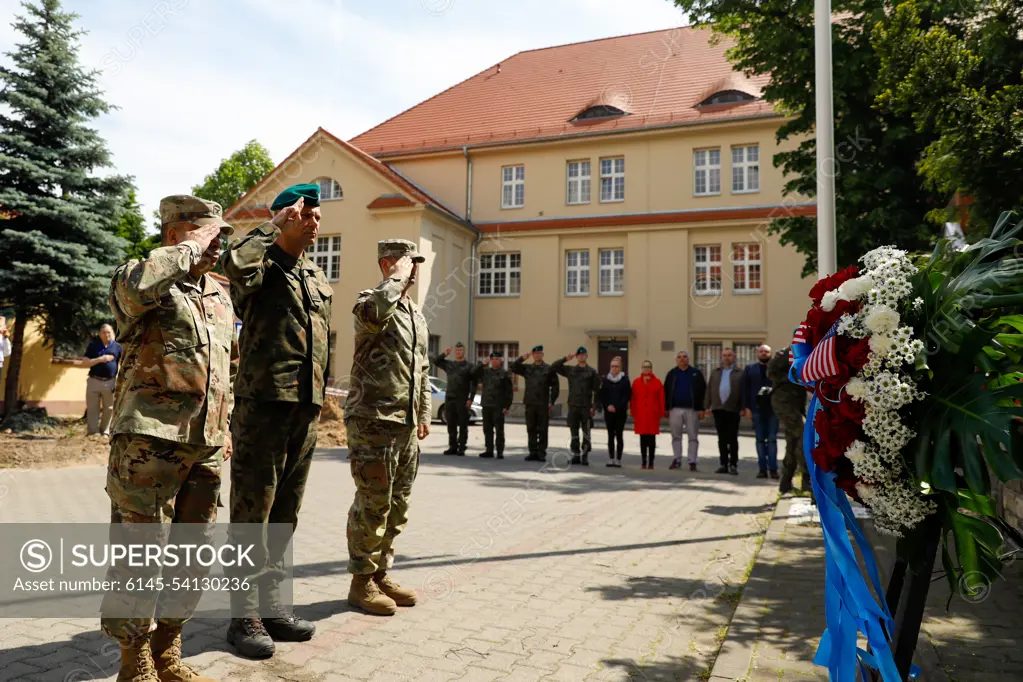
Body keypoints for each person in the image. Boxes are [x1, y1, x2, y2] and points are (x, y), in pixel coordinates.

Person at [103, 194, 236, 682]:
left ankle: (167, 648)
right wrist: (188, 249)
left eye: (219, 233)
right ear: (174, 232)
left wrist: (228, 429)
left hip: (206, 444)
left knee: (194, 552)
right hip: (149, 444)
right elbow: (137, 289)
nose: (216, 243)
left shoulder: (219, 296)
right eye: (206, 232)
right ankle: (132, 657)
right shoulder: (139, 278)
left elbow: (230, 366)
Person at [222, 184, 331, 657]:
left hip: (305, 408)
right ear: (286, 216)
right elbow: (232, 263)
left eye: (317, 216)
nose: (314, 222)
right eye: (306, 214)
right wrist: (270, 225)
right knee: (252, 514)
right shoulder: (260, 267)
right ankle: (242, 616)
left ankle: (273, 608)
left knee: (284, 514)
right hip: (263, 406)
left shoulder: (315, 275)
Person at [343, 239, 431, 617]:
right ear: (388, 264)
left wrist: (424, 413)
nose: (415, 269)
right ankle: (360, 581)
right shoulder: (372, 300)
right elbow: (373, 313)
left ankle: (381, 574)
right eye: (409, 262)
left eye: (417, 264)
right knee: (373, 503)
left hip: (406, 423)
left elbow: (423, 368)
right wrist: (395, 280)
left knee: (398, 505)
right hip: (373, 419)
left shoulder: (415, 313)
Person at [768, 343, 809, 494]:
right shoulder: (785, 353)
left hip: (796, 404)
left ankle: (785, 482)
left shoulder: (807, 352)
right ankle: (807, 479)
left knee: (793, 442)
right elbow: (770, 373)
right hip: (783, 402)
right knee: (804, 435)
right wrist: (793, 376)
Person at [551, 346, 601, 465]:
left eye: (583, 355)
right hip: (573, 406)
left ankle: (585, 455)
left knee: (586, 432)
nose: (581, 357)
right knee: (574, 432)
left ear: (586, 356)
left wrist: (594, 407)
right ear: (577, 357)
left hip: (586, 407)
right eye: (579, 355)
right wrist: (566, 358)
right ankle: (576, 454)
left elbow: (597, 391)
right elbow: (554, 367)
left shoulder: (592, 372)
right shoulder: (571, 370)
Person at [509, 346, 559, 462]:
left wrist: (552, 401)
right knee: (531, 428)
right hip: (530, 403)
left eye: (539, 353)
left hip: (543, 403)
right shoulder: (528, 368)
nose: (537, 355)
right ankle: (533, 452)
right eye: (535, 353)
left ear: (542, 354)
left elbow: (555, 386)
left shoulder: (548, 369)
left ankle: (541, 453)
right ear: (533, 355)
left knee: (542, 429)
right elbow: (513, 367)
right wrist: (522, 358)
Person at [663, 350, 706, 472]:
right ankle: (677, 459)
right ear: (676, 359)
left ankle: (692, 461)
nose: (682, 359)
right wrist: (666, 408)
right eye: (679, 357)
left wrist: (702, 408)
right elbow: (666, 391)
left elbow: (703, 391)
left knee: (693, 436)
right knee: (676, 436)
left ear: (688, 359)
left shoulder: (696, 374)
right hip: (675, 409)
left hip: (692, 410)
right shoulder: (671, 374)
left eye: (684, 357)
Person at [741, 344, 779, 479]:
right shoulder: (750, 369)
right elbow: (745, 389)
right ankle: (762, 469)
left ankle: (773, 469)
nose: (763, 353)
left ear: (770, 354)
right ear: (757, 354)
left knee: (773, 440)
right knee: (760, 440)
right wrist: (746, 408)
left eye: (766, 351)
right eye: (761, 351)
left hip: (773, 410)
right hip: (756, 409)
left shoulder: (777, 369)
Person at [705, 348, 744, 475]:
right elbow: (709, 389)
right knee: (721, 438)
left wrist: (743, 407)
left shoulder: (740, 373)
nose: (727, 357)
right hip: (718, 408)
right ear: (721, 357)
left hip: (733, 409)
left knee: (732, 438)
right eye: (724, 355)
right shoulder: (715, 372)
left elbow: (744, 392)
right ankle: (723, 464)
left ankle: (733, 464)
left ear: (734, 357)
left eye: (729, 355)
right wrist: (707, 406)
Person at [431, 342, 475, 456]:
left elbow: (474, 383)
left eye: (460, 350)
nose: (458, 352)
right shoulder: (450, 364)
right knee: (451, 424)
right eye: (457, 351)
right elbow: (435, 361)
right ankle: (453, 446)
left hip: (462, 399)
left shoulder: (469, 366)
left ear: (464, 352)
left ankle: (462, 447)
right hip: (450, 398)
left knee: (463, 425)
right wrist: (444, 354)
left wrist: (471, 398)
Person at [80, 323, 122, 438]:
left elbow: (123, 363)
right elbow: (84, 362)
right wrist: (100, 359)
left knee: (109, 408)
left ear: (113, 334)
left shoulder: (117, 347)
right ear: (100, 334)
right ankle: (93, 432)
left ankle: (106, 432)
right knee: (93, 407)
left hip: (111, 382)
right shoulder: (94, 345)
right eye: (104, 332)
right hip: (94, 380)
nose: (106, 334)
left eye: (109, 332)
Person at [469, 351, 513, 459]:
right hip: (486, 405)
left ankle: (499, 451)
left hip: (498, 406)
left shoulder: (504, 374)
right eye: (493, 359)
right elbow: (473, 373)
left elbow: (509, 392)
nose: (495, 361)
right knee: (487, 429)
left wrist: (507, 406)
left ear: (501, 360)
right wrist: (482, 364)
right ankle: (489, 450)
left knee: (499, 430)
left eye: (497, 359)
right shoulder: (485, 372)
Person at [598, 355, 631, 468]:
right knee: (610, 435)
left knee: (619, 436)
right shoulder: (606, 380)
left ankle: (618, 459)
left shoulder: (625, 380)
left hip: (620, 412)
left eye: (616, 366)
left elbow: (626, 396)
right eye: (612, 366)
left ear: (620, 367)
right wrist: (607, 406)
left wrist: (616, 407)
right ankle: (611, 458)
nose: (614, 368)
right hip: (609, 412)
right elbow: (602, 395)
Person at [631, 360, 664, 469]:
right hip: (641, 414)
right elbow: (633, 399)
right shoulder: (636, 382)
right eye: (644, 367)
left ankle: (651, 462)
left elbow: (661, 399)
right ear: (642, 368)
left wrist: (661, 412)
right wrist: (633, 411)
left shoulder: (657, 382)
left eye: (648, 367)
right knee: (642, 439)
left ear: (651, 368)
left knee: (652, 439)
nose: (646, 369)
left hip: (652, 415)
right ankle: (643, 461)